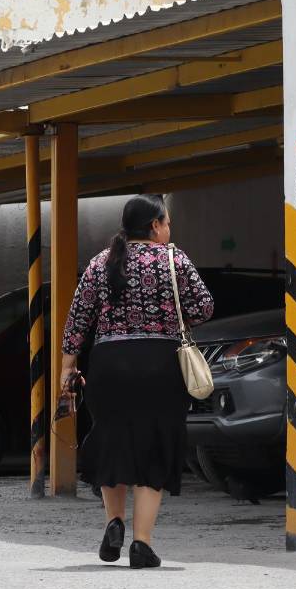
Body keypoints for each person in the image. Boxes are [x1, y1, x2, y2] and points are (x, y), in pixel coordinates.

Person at [60, 194, 214, 569]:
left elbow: (77, 319)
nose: (169, 229)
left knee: (112, 441)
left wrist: (67, 367)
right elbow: (204, 306)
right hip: (160, 364)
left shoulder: (101, 262)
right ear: (154, 226)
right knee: (154, 448)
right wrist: (173, 314)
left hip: (109, 365)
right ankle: (141, 544)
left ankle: (114, 522)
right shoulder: (174, 260)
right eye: (167, 222)